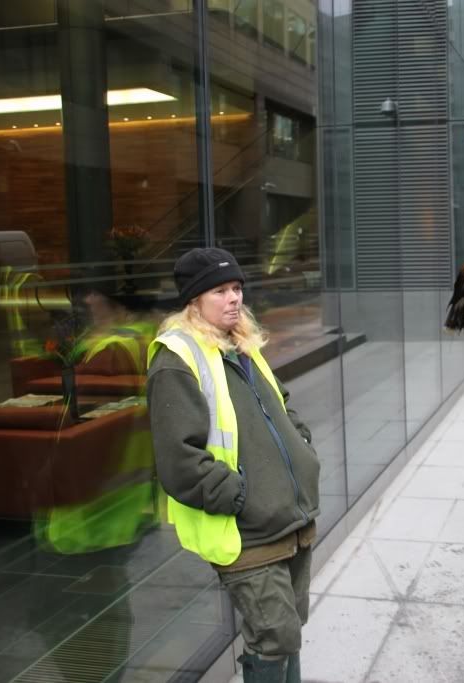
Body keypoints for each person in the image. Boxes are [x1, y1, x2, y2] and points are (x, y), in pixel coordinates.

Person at [146, 247, 320, 683]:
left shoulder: (241, 344)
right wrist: (241, 495)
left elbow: (281, 405)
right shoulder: (177, 358)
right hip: (245, 529)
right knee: (275, 633)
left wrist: (303, 448)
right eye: (219, 290)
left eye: (237, 287)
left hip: (291, 517)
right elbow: (178, 459)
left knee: (288, 629)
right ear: (193, 301)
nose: (233, 298)